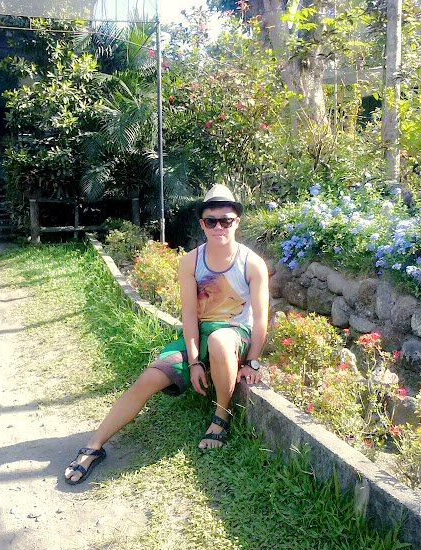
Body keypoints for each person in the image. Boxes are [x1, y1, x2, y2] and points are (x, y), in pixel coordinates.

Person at [65, 184, 269, 485]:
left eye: (225, 220)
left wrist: (252, 360)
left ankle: (221, 415)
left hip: (234, 331)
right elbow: (189, 315)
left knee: (219, 340)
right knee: (149, 378)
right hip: (199, 334)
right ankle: (94, 446)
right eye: (211, 221)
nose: (219, 227)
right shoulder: (191, 261)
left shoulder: (252, 263)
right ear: (202, 224)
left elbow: (261, 318)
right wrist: (195, 361)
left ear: (236, 221)